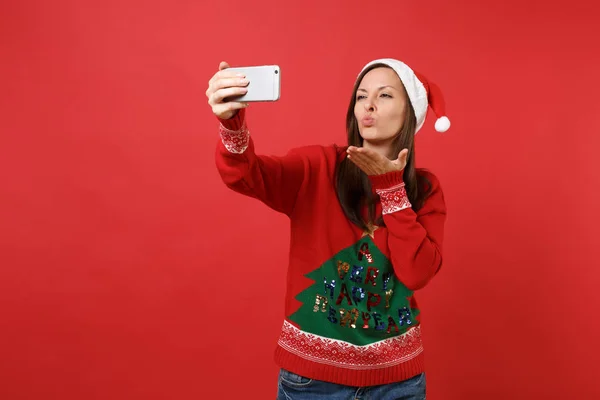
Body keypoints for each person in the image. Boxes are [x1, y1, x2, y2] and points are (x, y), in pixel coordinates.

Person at [206, 58, 450, 399]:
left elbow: (416, 273)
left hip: (397, 385)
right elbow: (248, 176)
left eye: (385, 95)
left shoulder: (425, 189)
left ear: (410, 111)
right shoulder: (317, 167)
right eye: (361, 95)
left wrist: (392, 189)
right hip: (313, 384)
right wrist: (232, 125)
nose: (368, 104)